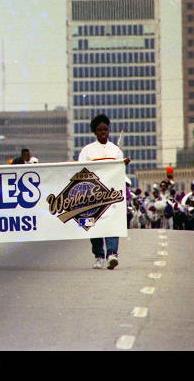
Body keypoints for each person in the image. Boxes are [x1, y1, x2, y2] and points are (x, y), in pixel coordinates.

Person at [77, 113, 130, 270]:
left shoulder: (115, 150)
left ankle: (112, 254)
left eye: (106, 130)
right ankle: (98, 256)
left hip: (112, 196)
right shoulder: (87, 151)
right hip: (92, 196)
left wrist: (123, 163)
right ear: (95, 132)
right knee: (93, 226)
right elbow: (81, 172)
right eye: (100, 130)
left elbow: (119, 172)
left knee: (113, 223)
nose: (103, 133)